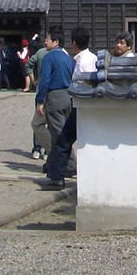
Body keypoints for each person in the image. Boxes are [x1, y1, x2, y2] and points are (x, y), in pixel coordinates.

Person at [41, 26, 96, 190]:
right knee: (66, 139)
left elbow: (83, 84)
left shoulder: (80, 61)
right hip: (74, 101)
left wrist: (40, 100)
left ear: (73, 43)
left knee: (62, 139)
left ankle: (58, 177)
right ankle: (57, 173)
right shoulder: (86, 58)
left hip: (80, 103)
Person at [34, 25, 74, 179]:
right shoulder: (67, 58)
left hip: (55, 96)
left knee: (58, 133)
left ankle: (70, 164)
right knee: (63, 129)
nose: (45, 42)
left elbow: (44, 81)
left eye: (48, 39)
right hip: (68, 95)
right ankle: (52, 162)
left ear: (56, 42)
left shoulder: (49, 58)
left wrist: (40, 101)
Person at [26, 39, 51, 159]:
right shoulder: (61, 53)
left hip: (40, 90)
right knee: (51, 122)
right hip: (53, 93)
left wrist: (33, 80)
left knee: (38, 121)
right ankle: (48, 150)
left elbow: (28, 64)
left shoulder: (40, 52)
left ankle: (36, 148)